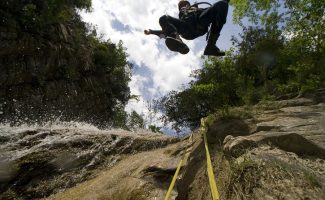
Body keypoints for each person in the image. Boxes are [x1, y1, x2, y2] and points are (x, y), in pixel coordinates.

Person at [144, 0, 230, 56]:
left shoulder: (200, 10)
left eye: (185, 4)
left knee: (222, 4)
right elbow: (165, 32)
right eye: (181, 6)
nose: (183, 6)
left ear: (189, 4)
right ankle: (177, 40)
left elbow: (214, 9)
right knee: (164, 18)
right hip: (186, 28)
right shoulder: (181, 17)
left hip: (200, 23)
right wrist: (151, 32)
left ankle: (211, 46)